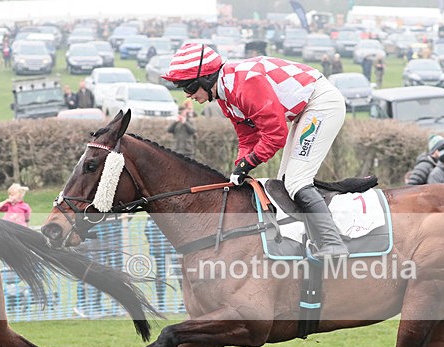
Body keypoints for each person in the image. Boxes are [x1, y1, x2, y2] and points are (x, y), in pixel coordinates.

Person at [161, 43, 349, 259]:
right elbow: (248, 137)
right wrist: (239, 167)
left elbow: (276, 134)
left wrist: (247, 164)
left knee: (296, 182)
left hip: (321, 104)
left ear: (206, 78)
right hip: (304, 110)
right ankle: (309, 240)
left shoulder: (244, 83)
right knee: (284, 181)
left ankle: (334, 244)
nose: (188, 96)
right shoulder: (225, 95)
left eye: (189, 88)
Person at [145, 218, 180, 312]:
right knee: (161, 275)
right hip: (161, 249)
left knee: (179, 274)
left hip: (172, 248)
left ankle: (183, 303)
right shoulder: (151, 220)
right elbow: (148, 232)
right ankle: (161, 304)